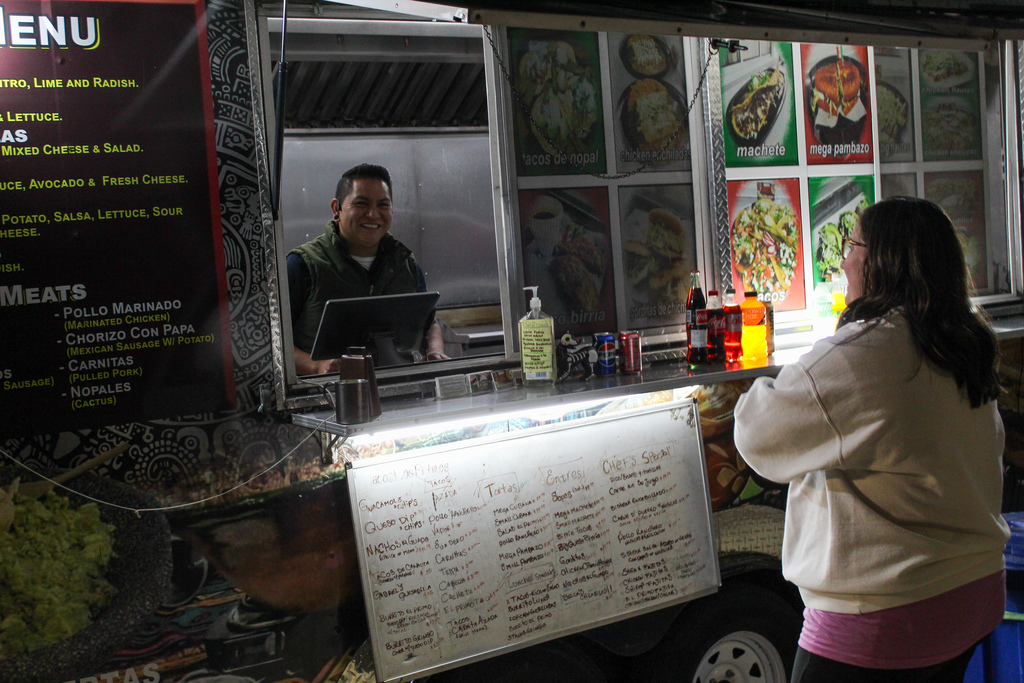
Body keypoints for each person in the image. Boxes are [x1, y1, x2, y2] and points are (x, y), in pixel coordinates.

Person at [733, 196, 1009, 682]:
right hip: (974, 593)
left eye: (852, 245)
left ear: (884, 263)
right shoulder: (963, 338)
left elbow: (757, 435)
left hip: (886, 615)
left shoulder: (865, 352)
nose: (843, 260)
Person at [288, 163, 447, 375]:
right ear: (337, 208)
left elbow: (429, 323)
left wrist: (435, 351)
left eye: (383, 205)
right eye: (361, 204)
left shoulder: (405, 264)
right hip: (327, 399)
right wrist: (316, 366)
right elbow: (273, 341)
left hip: (401, 393)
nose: (373, 214)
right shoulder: (303, 265)